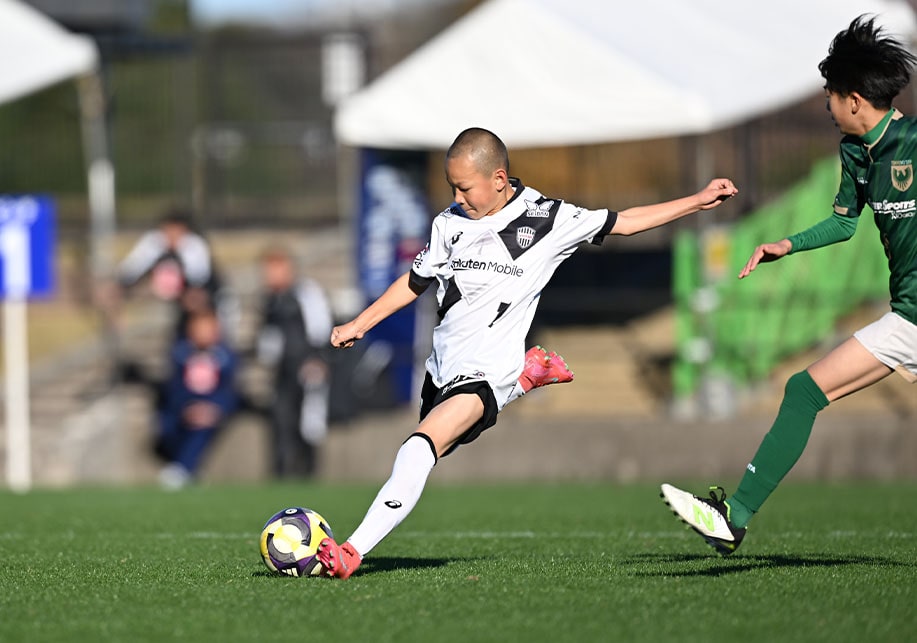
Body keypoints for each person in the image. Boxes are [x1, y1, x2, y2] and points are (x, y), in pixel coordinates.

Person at [314, 127, 738, 579]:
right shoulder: (449, 223)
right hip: (442, 369)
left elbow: (626, 221)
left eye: (464, 187)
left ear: (498, 179)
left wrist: (697, 201)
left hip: (485, 372)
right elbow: (415, 281)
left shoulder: (548, 219)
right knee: (438, 446)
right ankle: (526, 378)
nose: (456, 197)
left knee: (418, 449)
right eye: (452, 187)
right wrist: (360, 324)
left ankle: (351, 551)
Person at [661, 15, 917, 556]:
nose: (825, 105)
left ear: (853, 99)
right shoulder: (856, 152)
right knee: (804, 390)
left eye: (829, 95)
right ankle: (732, 519)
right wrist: (788, 244)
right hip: (907, 319)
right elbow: (845, 223)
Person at [256, 246, 334, 478]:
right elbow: (269, 335)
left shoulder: (306, 293)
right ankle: (281, 473)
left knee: (308, 423)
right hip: (283, 369)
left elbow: (320, 327)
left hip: (307, 367)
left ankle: (306, 472)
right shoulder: (271, 299)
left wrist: (317, 359)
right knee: (281, 420)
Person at [155, 307, 240, 489]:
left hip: (211, 409)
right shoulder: (180, 354)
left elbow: (230, 390)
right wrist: (187, 407)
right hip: (181, 409)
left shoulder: (226, 357)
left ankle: (183, 468)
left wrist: (215, 408)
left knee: (202, 426)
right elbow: (174, 388)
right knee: (167, 425)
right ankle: (187, 468)